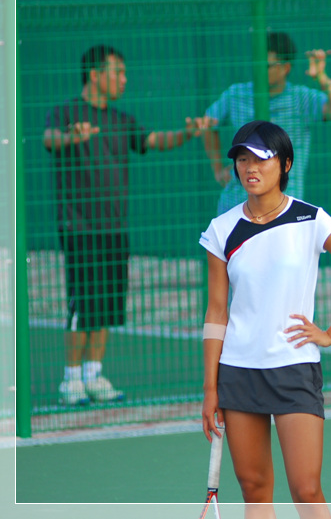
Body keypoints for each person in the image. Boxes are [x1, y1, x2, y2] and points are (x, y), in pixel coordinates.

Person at [199, 120, 331, 518]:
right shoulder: (221, 230)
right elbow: (217, 312)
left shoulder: (312, 220)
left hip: (294, 368)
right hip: (238, 372)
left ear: (285, 164)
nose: (250, 168)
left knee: (307, 490)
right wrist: (211, 387)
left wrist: (330, 333)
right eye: (242, 159)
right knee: (255, 490)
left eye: (261, 159)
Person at [43, 44, 215, 406]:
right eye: (117, 72)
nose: (124, 79)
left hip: (115, 228)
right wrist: (73, 136)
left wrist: (187, 133)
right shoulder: (66, 112)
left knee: (105, 303)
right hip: (79, 227)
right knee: (83, 304)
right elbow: (50, 139)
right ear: (95, 75)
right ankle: (71, 379)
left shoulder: (121, 120)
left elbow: (154, 141)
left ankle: (94, 375)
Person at [204, 31, 331, 215]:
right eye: (257, 64)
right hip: (237, 205)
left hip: (282, 209)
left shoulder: (300, 98)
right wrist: (218, 169)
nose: (260, 71)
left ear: (285, 68)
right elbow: (207, 124)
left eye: (267, 66)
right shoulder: (235, 94)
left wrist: (321, 77)